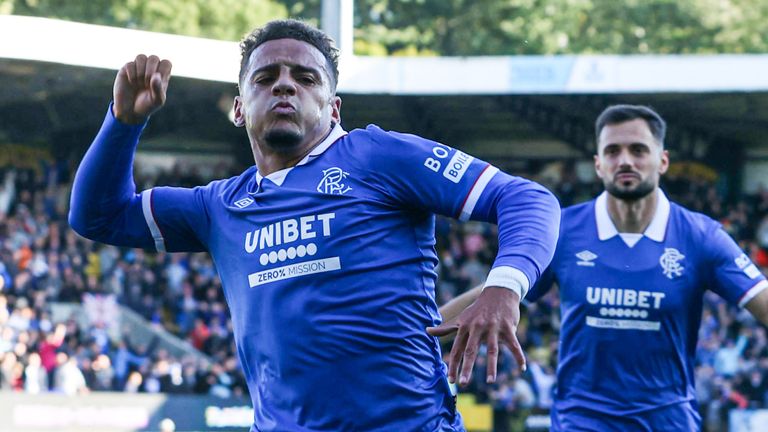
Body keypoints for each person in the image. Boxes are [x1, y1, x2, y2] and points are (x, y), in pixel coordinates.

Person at [68, 19, 560, 431]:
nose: (285, 85)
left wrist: (504, 288)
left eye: (305, 77)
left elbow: (525, 197)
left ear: (333, 106)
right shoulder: (216, 206)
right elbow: (97, 216)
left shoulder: (376, 156)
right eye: (265, 78)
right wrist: (123, 121)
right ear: (239, 109)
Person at [433, 104, 768, 431]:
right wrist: (411, 335)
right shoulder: (562, 230)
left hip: (669, 421)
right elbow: (494, 295)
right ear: (598, 164)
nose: (625, 160)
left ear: (662, 160)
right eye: (612, 151)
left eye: (638, 150)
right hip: (581, 421)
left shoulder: (701, 236)